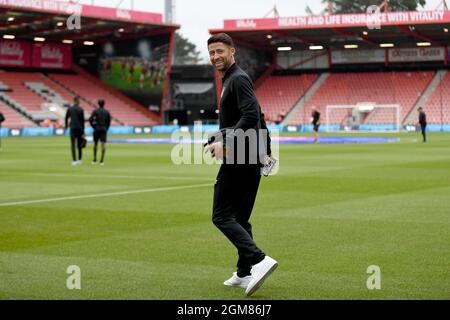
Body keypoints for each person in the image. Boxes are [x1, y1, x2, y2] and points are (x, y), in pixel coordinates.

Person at [207, 33, 278, 297]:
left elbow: (250, 116)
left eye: (220, 51)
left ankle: (259, 260)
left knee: (221, 215)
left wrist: (224, 141)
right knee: (240, 218)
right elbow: (258, 116)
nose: (215, 57)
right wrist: (267, 152)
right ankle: (244, 271)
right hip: (249, 155)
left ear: (232, 52)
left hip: (240, 156)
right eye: (212, 53)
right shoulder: (233, 79)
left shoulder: (237, 79)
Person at [89, 99, 111, 165]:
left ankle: (95, 159)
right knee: (103, 144)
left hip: (97, 128)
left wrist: (93, 126)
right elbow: (109, 121)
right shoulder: (106, 112)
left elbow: (90, 119)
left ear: (98, 104)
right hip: (103, 128)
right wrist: (106, 128)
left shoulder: (95, 111)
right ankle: (102, 161)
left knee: (95, 144)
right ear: (104, 104)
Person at [65, 96, 85, 166]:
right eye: (79, 100)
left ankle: (74, 160)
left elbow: (66, 117)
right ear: (76, 101)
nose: (80, 102)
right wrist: (83, 131)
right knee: (79, 145)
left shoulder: (70, 109)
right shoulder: (81, 109)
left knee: (73, 144)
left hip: (72, 128)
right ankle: (79, 159)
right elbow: (82, 121)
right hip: (79, 128)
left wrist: (66, 126)